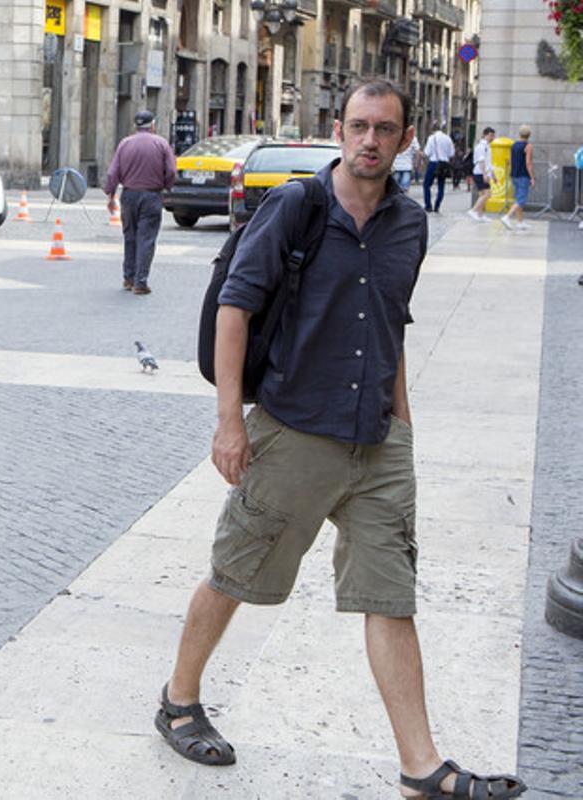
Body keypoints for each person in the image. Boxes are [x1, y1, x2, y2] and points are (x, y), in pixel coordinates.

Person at [156, 79, 527, 800]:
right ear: (337, 128)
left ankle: (422, 767)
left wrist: (405, 430)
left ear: (405, 138)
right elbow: (235, 308)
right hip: (294, 428)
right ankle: (179, 698)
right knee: (237, 575)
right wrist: (230, 422)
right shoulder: (298, 207)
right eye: (358, 126)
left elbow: (388, 327)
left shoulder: (410, 224)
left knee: (391, 597)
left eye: (384, 129)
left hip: (378, 440)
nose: (369, 141)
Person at [103, 109, 176, 295]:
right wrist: (167, 187)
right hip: (151, 196)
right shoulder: (161, 143)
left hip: (129, 196)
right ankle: (140, 282)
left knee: (130, 237)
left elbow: (113, 173)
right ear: (152, 125)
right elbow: (171, 171)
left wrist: (110, 195)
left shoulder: (125, 144)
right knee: (146, 239)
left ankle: (128, 278)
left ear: (136, 125)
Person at [501, 125, 535, 231]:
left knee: (518, 199)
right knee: (521, 199)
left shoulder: (514, 145)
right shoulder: (528, 146)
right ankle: (507, 217)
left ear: (519, 134)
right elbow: (528, 163)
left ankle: (520, 222)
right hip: (523, 175)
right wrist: (532, 177)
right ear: (529, 135)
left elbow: (511, 160)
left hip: (514, 174)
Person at [421, 121, 454, 212]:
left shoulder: (432, 138)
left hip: (434, 163)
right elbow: (452, 153)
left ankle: (428, 205)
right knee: (441, 185)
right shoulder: (448, 138)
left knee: (426, 185)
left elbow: (427, 152)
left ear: (432, 129)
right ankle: (437, 206)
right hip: (444, 164)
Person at [467, 127, 496, 222]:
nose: (492, 137)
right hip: (480, 172)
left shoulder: (487, 146)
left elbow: (489, 163)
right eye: (491, 135)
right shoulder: (481, 146)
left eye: (493, 135)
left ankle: (480, 214)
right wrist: (484, 174)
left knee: (483, 194)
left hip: (483, 173)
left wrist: (493, 175)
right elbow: (481, 161)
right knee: (487, 194)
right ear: (485, 135)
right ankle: (474, 210)